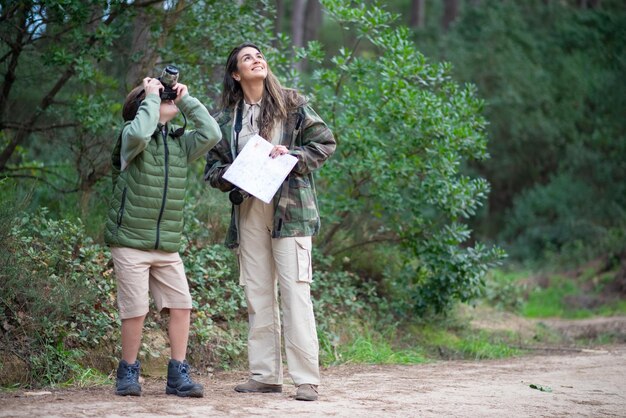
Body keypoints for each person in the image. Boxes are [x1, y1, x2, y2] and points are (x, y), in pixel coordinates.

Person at [204, 43, 336, 401]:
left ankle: (306, 378)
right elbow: (212, 170)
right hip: (249, 209)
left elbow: (324, 142)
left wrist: (291, 155)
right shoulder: (226, 119)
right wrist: (230, 173)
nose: (257, 59)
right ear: (236, 73)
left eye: (259, 55)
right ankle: (264, 375)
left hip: (290, 211)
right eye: (247, 58)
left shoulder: (292, 103)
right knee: (257, 294)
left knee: (296, 293)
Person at [104, 71, 221, 397]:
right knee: (135, 309)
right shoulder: (131, 136)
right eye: (159, 99)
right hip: (130, 241)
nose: (166, 101)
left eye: (167, 98)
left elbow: (211, 133)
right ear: (143, 106)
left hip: (166, 244)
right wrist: (151, 95)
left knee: (182, 304)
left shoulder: (179, 143)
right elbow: (141, 131)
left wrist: (186, 100)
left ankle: (178, 375)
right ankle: (128, 372)